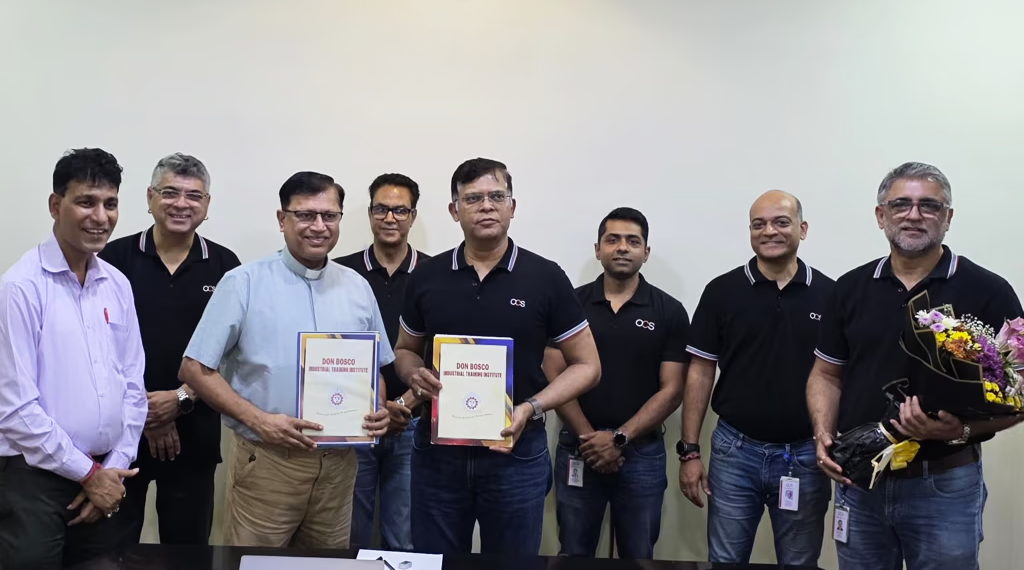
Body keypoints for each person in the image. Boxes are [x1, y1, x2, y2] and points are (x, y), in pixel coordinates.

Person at [808, 162, 1024, 570]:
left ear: (948, 218)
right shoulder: (849, 288)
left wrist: (960, 430)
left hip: (945, 483)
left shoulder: (988, 290)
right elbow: (826, 373)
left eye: (929, 206)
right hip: (860, 478)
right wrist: (822, 434)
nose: (914, 215)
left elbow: (1021, 392)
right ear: (881, 215)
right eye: (901, 204)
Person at [394, 157, 601, 554]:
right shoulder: (427, 276)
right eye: (472, 198)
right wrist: (412, 373)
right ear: (455, 211)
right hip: (438, 455)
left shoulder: (546, 277)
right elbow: (405, 350)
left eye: (496, 196)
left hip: (516, 452)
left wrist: (532, 407)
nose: (486, 206)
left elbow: (588, 366)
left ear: (512, 207)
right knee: (435, 563)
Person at [178, 171, 391, 548]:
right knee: (256, 564)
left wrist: (377, 407)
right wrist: (260, 421)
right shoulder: (243, 282)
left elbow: (374, 369)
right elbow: (194, 368)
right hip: (270, 462)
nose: (319, 226)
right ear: (282, 219)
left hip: (339, 468)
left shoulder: (357, 287)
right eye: (305, 215)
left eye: (330, 216)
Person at [0, 148, 146, 568]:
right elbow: (16, 409)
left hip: (106, 478)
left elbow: (133, 385)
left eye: (110, 204)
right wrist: (88, 474)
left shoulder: (117, 284)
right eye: (86, 202)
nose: (100, 216)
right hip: (35, 484)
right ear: (55, 205)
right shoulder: (21, 287)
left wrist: (113, 470)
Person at [679, 190, 834, 566]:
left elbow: (837, 376)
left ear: (803, 228)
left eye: (781, 222)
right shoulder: (722, 292)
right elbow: (700, 371)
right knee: (726, 560)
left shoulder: (831, 295)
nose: (769, 231)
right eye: (758, 224)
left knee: (799, 563)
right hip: (736, 453)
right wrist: (690, 451)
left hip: (805, 455)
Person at [99, 153, 240, 545]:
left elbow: (234, 352)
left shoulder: (227, 267)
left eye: (194, 196)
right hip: (120, 433)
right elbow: (95, 348)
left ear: (207, 205)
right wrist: (149, 414)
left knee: (188, 549)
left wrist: (180, 399)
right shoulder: (112, 260)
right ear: (149, 198)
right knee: (111, 547)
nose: (182, 204)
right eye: (170, 192)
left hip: (195, 432)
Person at [545, 207, 689, 559]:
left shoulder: (669, 311)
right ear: (598, 249)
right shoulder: (570, 304)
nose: (622, 247)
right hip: (578, 447)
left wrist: (620, 437)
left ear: (646, 252)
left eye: (632, 241)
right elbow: (553, 372)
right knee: (574, 551)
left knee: (638, 554)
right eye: (612, 240)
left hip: (641, 453)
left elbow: (672, 389)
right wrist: (588, 438)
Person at [334, 173, 430, 550]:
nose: (390, 218)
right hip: (351, 422)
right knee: (348, 534)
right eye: (381, 209)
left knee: (404, 537)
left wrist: (403, 404)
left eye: (400, 210)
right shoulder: (338, 273)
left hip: (415, 423)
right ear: (371, 213)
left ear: (413, 216)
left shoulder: (436, 274)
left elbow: (441, 354)